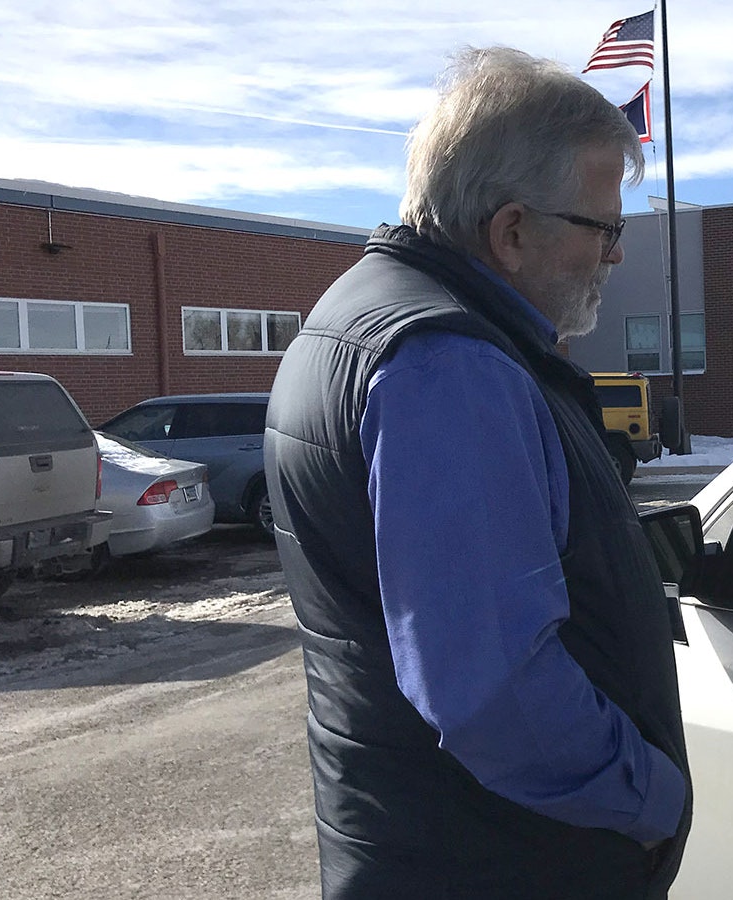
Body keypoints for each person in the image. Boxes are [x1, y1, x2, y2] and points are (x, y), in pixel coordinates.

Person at [264, 47, 690, 899]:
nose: (614, 256)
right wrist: (652, 799)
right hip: (503, 860)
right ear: (512, 230)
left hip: (431, 844)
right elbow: (493, 691)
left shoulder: (364, 315)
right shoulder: (449, 368)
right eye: (604, 228)